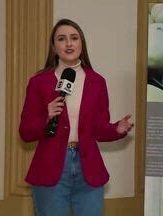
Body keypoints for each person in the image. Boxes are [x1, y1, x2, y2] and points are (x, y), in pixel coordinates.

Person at [19, 18, 133, 216]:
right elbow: (25, 133)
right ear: (54, 47)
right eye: (62, 39)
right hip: (51, 167)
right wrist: (46, 117)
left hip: (87, 167)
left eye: (74, 38)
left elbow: (99, 129)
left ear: (81, 44)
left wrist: (116, 129)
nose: (69, 43)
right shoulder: (39, 82)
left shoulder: (97, 82)